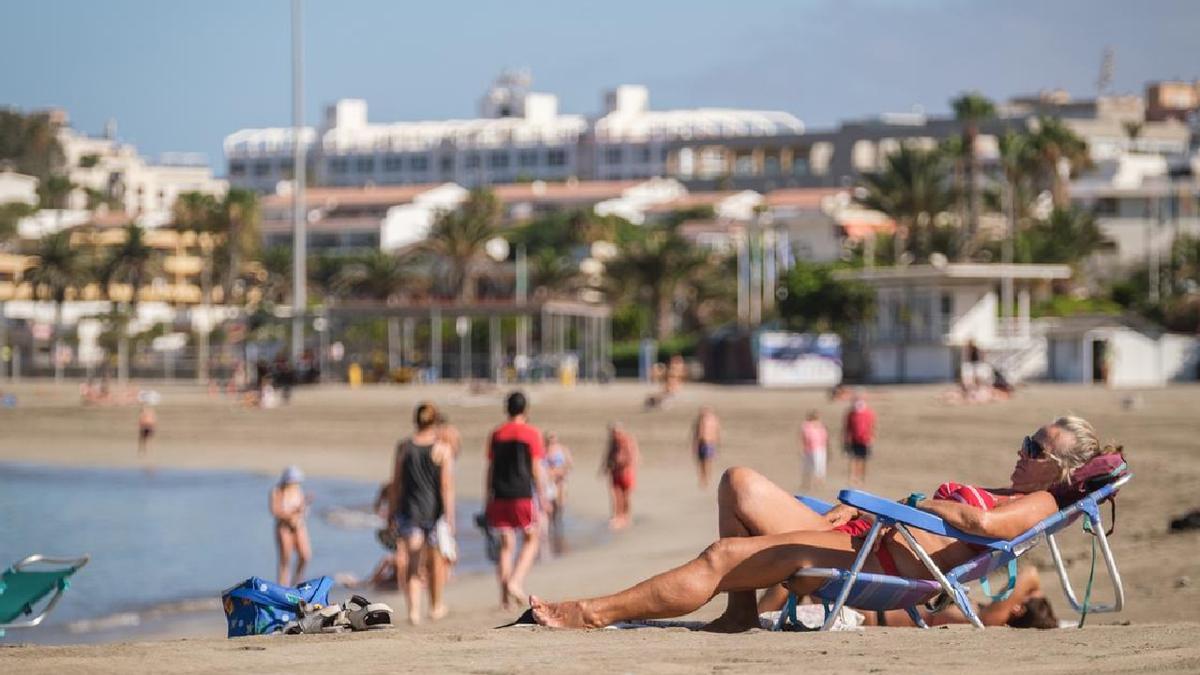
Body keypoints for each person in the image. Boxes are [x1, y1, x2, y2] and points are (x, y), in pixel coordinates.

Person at [526, 415, 1117, 629]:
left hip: (870, 562)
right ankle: (738, 612)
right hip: (867, 536)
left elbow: (976, 525)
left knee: (721, 557)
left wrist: (904, 508)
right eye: (1026, 441)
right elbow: (965, 519)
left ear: (1061, 470)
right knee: (738, 482)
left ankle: (591, 612)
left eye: (1034, 449)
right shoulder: (1016, 491)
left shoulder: (1040, 504)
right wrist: (875, 508)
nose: (1022, 452)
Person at [388, 402, 455, 624]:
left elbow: (396, 483)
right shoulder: (441, 449)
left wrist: (391, 511)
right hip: (434, 512)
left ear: (416, 421)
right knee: (435, 561)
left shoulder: (405, 447)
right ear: (434, 421)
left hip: (410, 511)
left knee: (413, 561)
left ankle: (414, 611)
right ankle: (436, 606)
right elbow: (446, 486)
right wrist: (449, 517)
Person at [486, 391, 548, 608]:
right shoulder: (532, 433)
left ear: (507, 409)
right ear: (526, 410)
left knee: (506, 546)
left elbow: (491, 468)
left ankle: (504, 597)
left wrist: (487, 497)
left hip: (499, 494)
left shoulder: (497, 434)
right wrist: (542, 496)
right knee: (532, 539)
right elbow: (535, 468)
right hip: (522, 494)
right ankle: (515, 581)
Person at [269, 465, 311, 587]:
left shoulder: (298, 490)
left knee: (305, 555)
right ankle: (283, 586)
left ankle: (296, 582)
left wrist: (302, 509)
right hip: (284, 527)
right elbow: (275, 511)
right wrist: (293, 513)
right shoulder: (277, 491)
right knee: (285, 559)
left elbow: (303, 510)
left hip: (298, 526)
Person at [604, 422, 640, 530]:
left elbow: (634, 456)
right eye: (612, 432)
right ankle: (616, 516)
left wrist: (629, 465)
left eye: (616, 432)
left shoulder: (628, 440)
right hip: (615, 472)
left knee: (626, 496)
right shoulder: (612, 443)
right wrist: (605, 467)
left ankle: (626, 516)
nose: (614, 434)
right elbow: (608, 455)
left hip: (626, 472)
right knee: (615, 495)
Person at [543, 432, 573, 553]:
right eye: (549, 438)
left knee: (559, 505)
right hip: (548, 481)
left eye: (553, 438)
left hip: (560, 481)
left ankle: (557, 522)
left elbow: (570, 464)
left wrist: (562, 471)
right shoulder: (543, 450)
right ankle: (550, 526)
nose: (552, 440)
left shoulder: (563, 449)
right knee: (549, 506)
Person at [843, 390, 875, 486]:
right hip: (853, 439)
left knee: (862, 459)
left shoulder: (868, 413)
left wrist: (871, 437)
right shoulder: (851, 413)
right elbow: (847, 427)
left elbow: (872, 426)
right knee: (853, 459)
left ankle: (861, 477)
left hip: (865, 439)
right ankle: (852, 477)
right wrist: (846, 439)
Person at [692, 406, 721, 488]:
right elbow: (717, 432)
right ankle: (705, 479)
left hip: (705, 443)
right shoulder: (714, 419)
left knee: (705, 462)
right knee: (706, 462)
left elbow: (699, 434)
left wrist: (695, 444)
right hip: (709, 443)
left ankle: (705, 480)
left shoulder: (702, 420)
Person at [799, 410, 828, 491]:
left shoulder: (820, 426)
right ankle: (808, 483)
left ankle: (818, 482)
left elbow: (824, 437)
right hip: (810, 448)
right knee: (808, 467)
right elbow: (803, 437)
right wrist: (801, 448)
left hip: (820, 448)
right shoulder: (806, 425)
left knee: (819, 466)